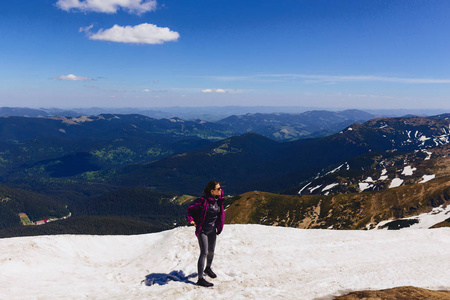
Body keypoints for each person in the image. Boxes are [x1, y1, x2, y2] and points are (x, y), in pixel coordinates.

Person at [187, 181, 226, 287]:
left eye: (220, 188)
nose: (220, 190)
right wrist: (191, 220)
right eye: (218, 189)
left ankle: (207, 268)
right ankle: (200, 279)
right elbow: (190, 210)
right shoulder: (202, 201)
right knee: (204, 252)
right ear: (212, 191)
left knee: (211, 251)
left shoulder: (218, 200)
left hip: (212, 230)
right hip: (203, 230)